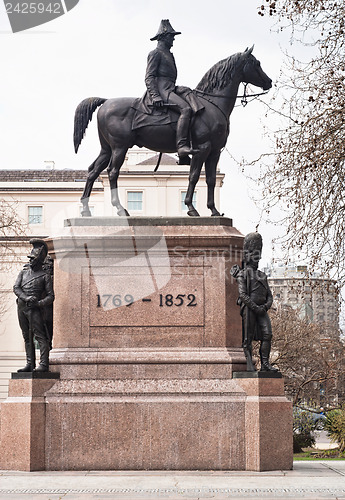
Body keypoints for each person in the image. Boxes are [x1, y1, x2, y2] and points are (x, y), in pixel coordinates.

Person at [144, 19, 199, 164]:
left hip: (170, 87)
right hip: (162, 90)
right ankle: (182, 148)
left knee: (191, 95)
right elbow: (149, 77)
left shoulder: (169, 54)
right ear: (163, 37)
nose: (173, 39)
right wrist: (155, 95)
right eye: (171, 36)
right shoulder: (155, 53)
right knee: (186, 109)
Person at [231, 232, 278, 372]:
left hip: (261, 310)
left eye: (258, 257)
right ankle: (249, 364)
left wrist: (265, 307)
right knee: (248, 337)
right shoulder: (242, 274)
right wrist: (255, 307)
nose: (257, 259)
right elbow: (243, 295)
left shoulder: (262, 275)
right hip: (249, 309)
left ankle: (265, 364)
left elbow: (269, 295)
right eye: (255, 257)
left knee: (267, 334)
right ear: (248, 257)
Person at [13, 239, 54, 372]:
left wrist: (38, 303)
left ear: (39, 260)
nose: (30, 261)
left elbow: (51, 296)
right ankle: (30, 364)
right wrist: (26, 298)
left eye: (33, 259)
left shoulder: (44, 276)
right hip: (22, 307)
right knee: (26, 336)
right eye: (30, 258)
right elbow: (16, 287)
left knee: (40, 336)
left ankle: (43, 364)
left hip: (35, 309)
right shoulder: (23, 273)